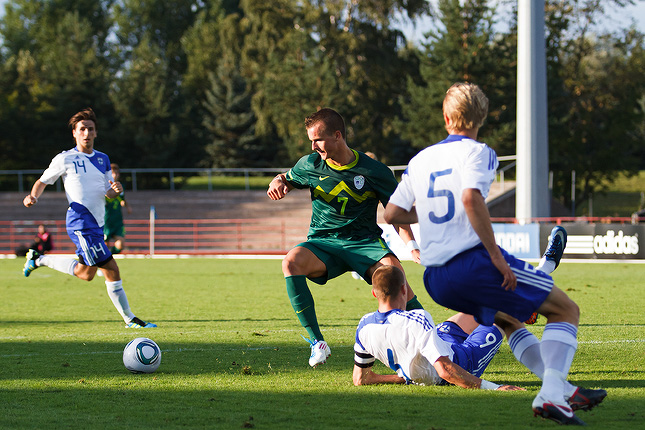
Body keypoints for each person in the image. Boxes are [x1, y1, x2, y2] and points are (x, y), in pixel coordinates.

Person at [384, 82, 605, 425]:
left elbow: (393, 215)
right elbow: (471, 199)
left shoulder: (420, 159)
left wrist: (426, 212)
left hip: (435, 278)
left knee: (508, 319)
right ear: (482, 116)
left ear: (445, 117)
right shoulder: (479, 152)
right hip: (471, 263)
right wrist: (497, 257)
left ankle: (562, 389)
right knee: (565, 310)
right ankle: (551, 396)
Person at [267, 108, 423, 367]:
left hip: (364, 243)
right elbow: (286, 178)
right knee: (290, 262)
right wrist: (277, 182)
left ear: (337, 135)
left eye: (318, 140)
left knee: (396, 275)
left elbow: (397, 213)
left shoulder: (375, 171)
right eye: (311, 141)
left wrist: (412, 246)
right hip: (324, 242)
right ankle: (317, 343)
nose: (314, 146)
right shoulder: (310, 165)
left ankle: (432, 341)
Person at [22, 107, 156, 329]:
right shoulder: (64, 158)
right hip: (81, 222)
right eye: (82, 129)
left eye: (90, 129)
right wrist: (32, 196)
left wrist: (115, 189)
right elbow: (42, 181)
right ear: (74, 133)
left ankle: (38, 259)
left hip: (97, 223)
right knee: (111, 268)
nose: (86, 133)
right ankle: (130, 319)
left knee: (86, 274)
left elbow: (107, 191)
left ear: (96, 133)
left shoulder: (103, 159)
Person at [353, 265, 524, 390]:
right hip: (462, 361)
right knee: (509, 314)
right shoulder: (417, 318)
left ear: (374, 293)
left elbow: (361, 378)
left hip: (439, 340)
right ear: (404, 289)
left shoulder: (364, 325)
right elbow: (444, 370)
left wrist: (405, 377)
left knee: (480, 306)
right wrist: (494, 388)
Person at [104, 163, 132, 254]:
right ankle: (104, 264)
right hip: (106, 220)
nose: (115, 175)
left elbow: (122, 199)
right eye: (113, 173)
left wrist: (127, 206)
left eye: (117, 173)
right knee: (104, 245)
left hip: (117, 220)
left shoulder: (120, 187)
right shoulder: (105, 186)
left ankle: (110, 258)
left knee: (120, 244)